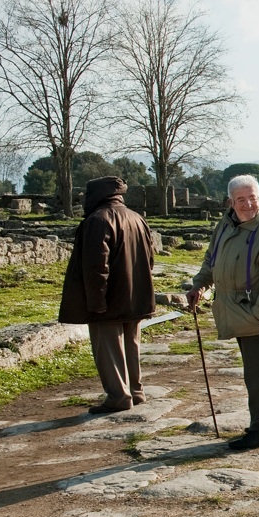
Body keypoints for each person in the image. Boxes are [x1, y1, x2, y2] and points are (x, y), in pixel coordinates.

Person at [187, 174, 259, 450]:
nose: (247, 204)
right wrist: (200, 285)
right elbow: (212, 258)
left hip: (254, 308)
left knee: (257, 371)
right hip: (233, 306)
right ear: (231, 202)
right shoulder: (226, 224)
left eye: (252, 198)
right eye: (240, 200)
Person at [58, 175, 155, 414]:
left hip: (109, 298)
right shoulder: (137, 218)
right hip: (136, 295)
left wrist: (96, 302)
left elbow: (95, 267)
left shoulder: (98, 220)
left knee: (109, 347)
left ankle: (118, 396)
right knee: (131, 344)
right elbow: (150, 258)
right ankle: (135, 391)